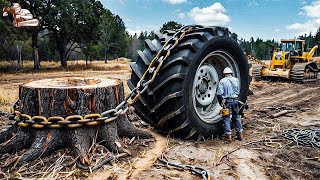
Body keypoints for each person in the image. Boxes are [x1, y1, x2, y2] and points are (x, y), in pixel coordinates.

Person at [217, 67, 243, 142]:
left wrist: (221, 103)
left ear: (224, 74)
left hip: (227, 101)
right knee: (237, 116)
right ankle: (240, 135)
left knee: (226, 118)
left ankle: (228, 136)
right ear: (231, 73)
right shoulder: (236, 80)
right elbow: (238, 90)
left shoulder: (222, 81)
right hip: (236, 100)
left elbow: (219, 94)